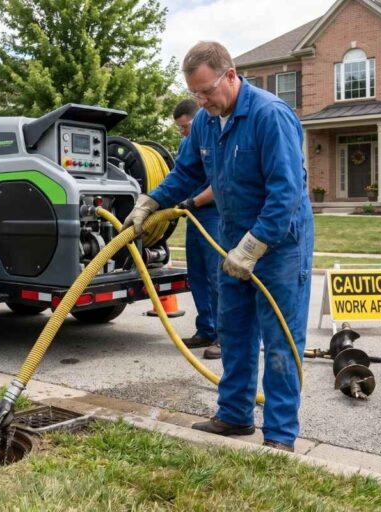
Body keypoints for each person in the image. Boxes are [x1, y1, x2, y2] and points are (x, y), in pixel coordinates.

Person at [123, 41, 313, 452]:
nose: (202, 101)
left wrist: (254, 246)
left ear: (231, 75)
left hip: (280, 244)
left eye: (207, 91)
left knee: (280, 338)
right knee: (234, 329)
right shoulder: (207, 124)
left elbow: (286, 194)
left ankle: (280, 435)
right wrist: (152, 200)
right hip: (231, 240)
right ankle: (234, 416)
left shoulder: (269, 116)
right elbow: (184, 173)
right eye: (196, 94)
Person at [172, 99, 222, 360]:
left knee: (217, 278)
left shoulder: (215, 139)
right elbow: (180, 178)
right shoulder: (186, 146)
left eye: (185, 126)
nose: (183, 131)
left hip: (213, 215)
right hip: (193, 216)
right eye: (179, 128)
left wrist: (195, 201)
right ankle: (206, 329)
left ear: (198, 119)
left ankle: (224, 337)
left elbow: (221, 183)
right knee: (198, 276)